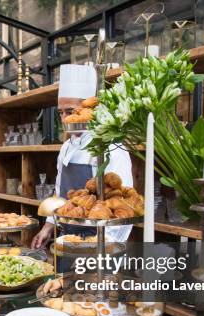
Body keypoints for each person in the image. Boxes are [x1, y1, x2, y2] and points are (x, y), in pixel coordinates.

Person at [31, 64, 133, 255]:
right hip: (67, 242)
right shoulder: (66, 147)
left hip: (99, 248)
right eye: (60, 112)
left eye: (70, 112)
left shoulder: (111, 148)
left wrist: (103, 248)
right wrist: (48, 227)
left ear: (90, 109)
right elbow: (60, 195)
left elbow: (121, 207)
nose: (63, 119)